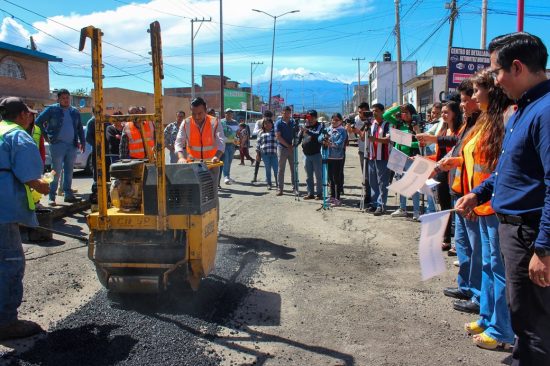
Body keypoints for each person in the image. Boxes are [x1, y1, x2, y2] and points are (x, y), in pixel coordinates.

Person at [456, 32, 550, 364]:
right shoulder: (523, 110)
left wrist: (544, 248)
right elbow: (508, 170)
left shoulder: (545, 111)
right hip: (513, 228)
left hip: (530, 232)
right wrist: (477, 193)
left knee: (537, 320)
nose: (495, 81)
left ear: (518, 66)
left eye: (496, 72)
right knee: (521, 312)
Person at [454, 69, 515, 350]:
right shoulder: (485, 120)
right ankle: (488, 316)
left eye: (479, 90)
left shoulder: (504, 121)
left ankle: (502, 328)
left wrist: (477, 197)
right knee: (489, 266)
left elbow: (499, 169)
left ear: (492, 91)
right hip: (481, 204)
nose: (474, 95)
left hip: (493, 206)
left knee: (498, 269)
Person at [0, 97, 50, 340]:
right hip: (3, 209)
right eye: (29, 114)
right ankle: (6, 322)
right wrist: (43, 185)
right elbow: (30, 176)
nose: (31, 117)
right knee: (10, 262)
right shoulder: (17, 135)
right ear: (20, 115)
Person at [436, 78, 483, 313]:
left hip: (473, 195)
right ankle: (466, 286)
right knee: (463, 243)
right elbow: (458, 147)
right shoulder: (471, 124)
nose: (464, 104)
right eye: (464, 100)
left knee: (477, 249)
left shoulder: (483, 123)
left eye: (468, 99)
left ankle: (477, 293)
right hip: (460, 189)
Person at [35, 89, 85, 206]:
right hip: (57, 145)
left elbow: (79, 128)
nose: (66, 100)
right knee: (55, 171)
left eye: (67, 98)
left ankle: (68, 194)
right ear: (58, 99)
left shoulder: (74, 111)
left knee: (69, 171)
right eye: (63, 98)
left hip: (72, 145)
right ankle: (51, 197)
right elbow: (38, 122)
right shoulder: (52, 109)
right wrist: (47, 136)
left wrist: (82, 141)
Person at [174, 97, 225, 186]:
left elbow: (221, 142)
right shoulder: (186, 123)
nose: (197, 117)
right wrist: (181, 157)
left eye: (200, 113)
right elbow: (179, 141)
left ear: (205, 111)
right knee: (194, 193)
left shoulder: (215, 122)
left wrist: (217, 156)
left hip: (211, 164)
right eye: (193, 113)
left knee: (211, 193)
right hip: (193, 165)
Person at [384, 103, 421, 220]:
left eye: (406, 112)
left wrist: (408, 142)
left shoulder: (416, 126)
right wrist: (398, 107)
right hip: (398, 156)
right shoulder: (399, 123)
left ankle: (416, 210)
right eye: (402, 113)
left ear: (412, 114)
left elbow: (421, 142)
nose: (403, 115)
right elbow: (386, 115)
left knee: (413, 184)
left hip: (411, 157)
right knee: (400, 183)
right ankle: (402, 208)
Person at [366, 103, 390, 215]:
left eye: (376, 110)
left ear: (382, 112)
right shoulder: (371, 123)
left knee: (382, 182)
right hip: (371, 156)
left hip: (383, 157)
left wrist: (374, 139)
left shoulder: (387, 124)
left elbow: (388, 140)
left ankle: (381, 205)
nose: (374, 113)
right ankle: (374, 203)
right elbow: (364, 136)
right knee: (372, 181)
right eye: (373, 111)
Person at [346, 102, 372, 208]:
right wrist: (349, 130)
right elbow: (352, 137)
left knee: (373, 177)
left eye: (363, 112)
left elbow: (364, 136)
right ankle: (367, 197)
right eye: (360, 112)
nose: (361, 114)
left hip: (373, 151)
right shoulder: (355, 120)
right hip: (362, 151)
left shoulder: (372, 120)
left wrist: (358, 131)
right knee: (365, 176)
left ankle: (375, 199)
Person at [297, 109, 324, 200]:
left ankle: (319, 194)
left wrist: (307, 130)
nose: (310, 119)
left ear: (316, 118)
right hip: (306, 155)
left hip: (316, 154)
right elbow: (299, 138)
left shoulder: (319, 126)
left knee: (318, 176)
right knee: (309, 176)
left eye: (312, 117)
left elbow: (317, 135)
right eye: (308, 117)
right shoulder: (305, 126)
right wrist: (295, 141)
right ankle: (310, 193)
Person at [321, 113, 347, 207]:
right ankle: (332, 196)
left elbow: (340, 144)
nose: (334, 121)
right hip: (328, 156)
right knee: (330, 178)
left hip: (338, 157)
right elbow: (320, 137)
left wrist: (330, 144)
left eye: (337, 120)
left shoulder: (342, 131)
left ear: (340, 121)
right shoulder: (328, 129)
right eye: (333, 119)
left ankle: (337, 198)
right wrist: (323, 139)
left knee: (337, 178)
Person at [275, 106, 297, 196]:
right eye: (285, 113)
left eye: (288, 113)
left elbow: (297, 134)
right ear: (282, 113)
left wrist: (294, 144)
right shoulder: (278, 123)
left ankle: (295, 188)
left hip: (292, 148)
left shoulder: (293, 122)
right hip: (282, 148)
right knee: (281, 169)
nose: (287, 115)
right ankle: (280, 189)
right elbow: (278, 137)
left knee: (294, 169)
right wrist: (288, 146)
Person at [252, 110, 273, 183]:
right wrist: (262, 129)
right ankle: (255, 176)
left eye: (269, 118)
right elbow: (254, 132)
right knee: (258, 159)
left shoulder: (272, 122)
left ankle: (268, 178)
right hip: (260, 142)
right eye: (266, 117)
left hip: (269, 144)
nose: (267, 119)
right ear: (263, 117)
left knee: (269, 162)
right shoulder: (259, 122)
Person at [257, 118, 278, 190]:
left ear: (272, 124)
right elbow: (258, 144)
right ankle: (269, 184)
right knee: (268, 169)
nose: (267, 124)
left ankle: (278, 184)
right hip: (265, 154)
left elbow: (279, 142)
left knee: (276, 170)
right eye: (265, 123)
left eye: (269, 123)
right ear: (263, 125)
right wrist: (258, 154)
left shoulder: (275, 132)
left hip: (274, 154)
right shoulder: (261, 132)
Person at [220, 108, 237, 185]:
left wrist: (237, 139)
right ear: (225, 114)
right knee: (225, 160)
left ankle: (228, 175)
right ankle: (226, 177)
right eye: (227, 113)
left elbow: (236, 133)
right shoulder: (221, 122)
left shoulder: (235, 122)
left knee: (229, 161)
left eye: (230, 113)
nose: (229, 114)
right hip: (224, 144)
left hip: (232, 144)